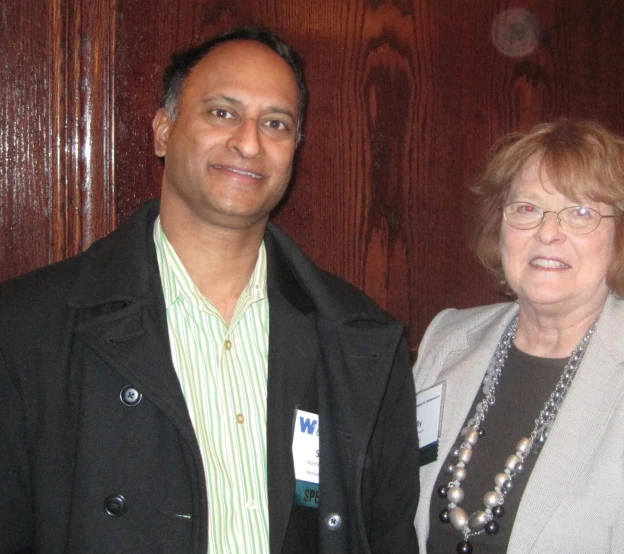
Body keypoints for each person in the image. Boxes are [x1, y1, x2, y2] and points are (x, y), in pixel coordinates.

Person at [0, 26, 419, 554]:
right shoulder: (25, 330)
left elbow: (388, 536)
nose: (249, 142)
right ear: (162, 130)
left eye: (276, 123)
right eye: (222, 113)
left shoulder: (360, 340)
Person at [413, 119, 624, 553]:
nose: (548, 232)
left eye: (581, 213)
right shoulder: (447, 339)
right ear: (500, 225)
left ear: (622, 236)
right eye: (527, 208)